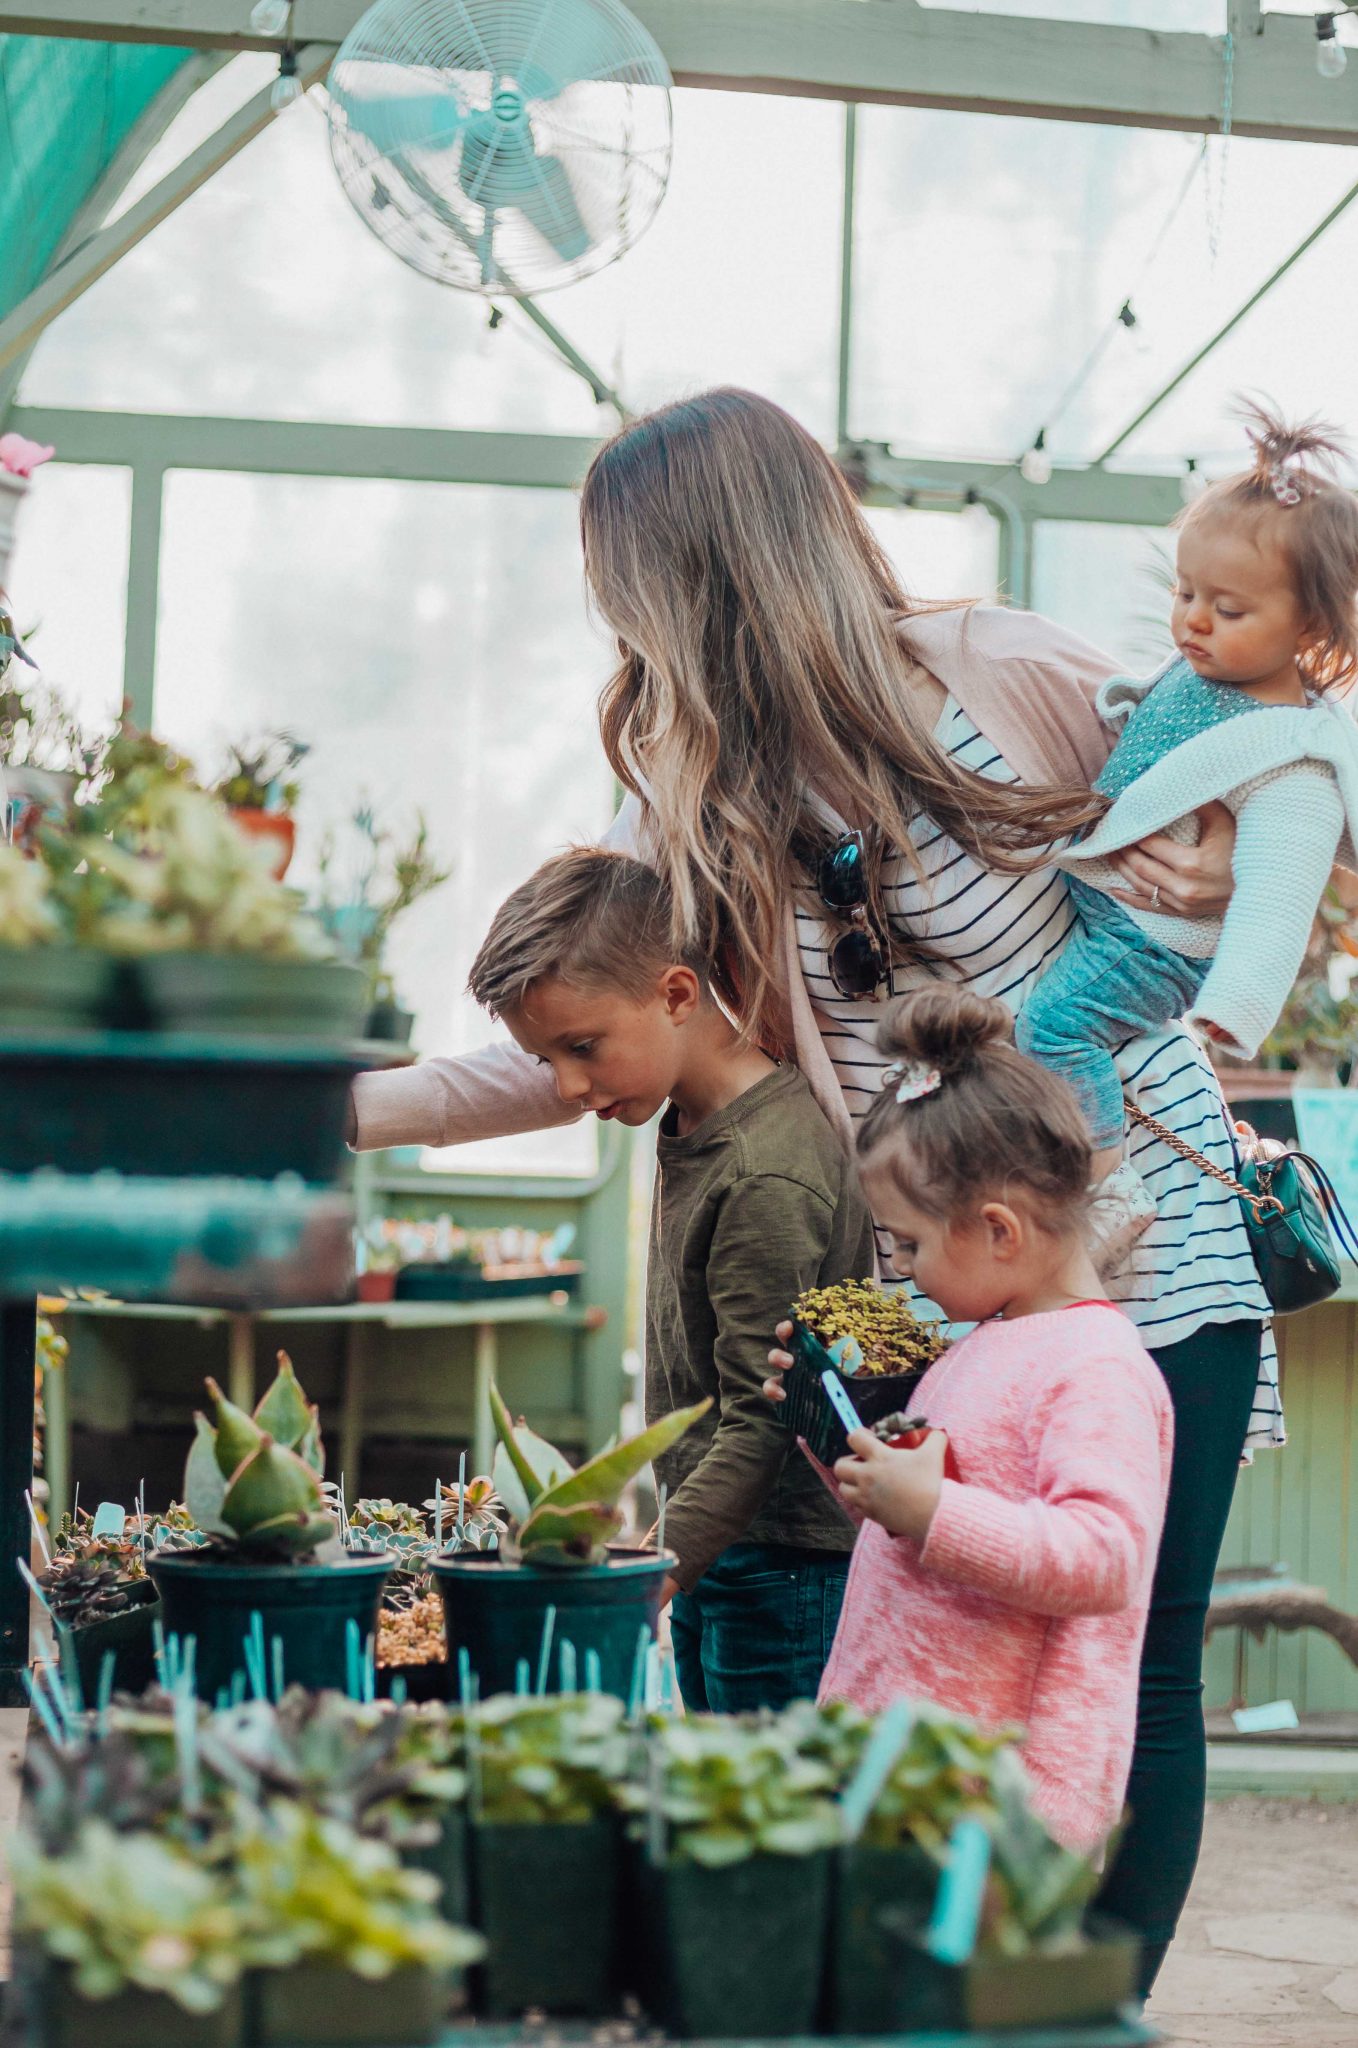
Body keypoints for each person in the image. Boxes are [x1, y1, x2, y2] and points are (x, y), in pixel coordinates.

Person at [351, 388, 1281, 1989]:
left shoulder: (1002, 671)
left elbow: (1239, 773)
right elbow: (583, 1035)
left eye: (628, 577)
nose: (621, 618)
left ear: (696, 567)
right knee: (966, 1661)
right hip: (954, 1311)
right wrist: (349, 1111)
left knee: (1134, 1667)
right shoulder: (689, 802)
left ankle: (1087, 2012)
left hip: (1159, 1261)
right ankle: (943, 1990)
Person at [763, 987, 1173, 1857]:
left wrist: (933, 1513)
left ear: (998, 1230)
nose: (901, 1270)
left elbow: (1106, 1558)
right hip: (911, 1769)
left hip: (994, 1799)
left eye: (908, 1244)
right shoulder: (984, 1342)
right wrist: (834, 1434)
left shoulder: (1095, 1368)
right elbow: (922, 1529)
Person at [465, 846, 875, 1710]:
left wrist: (648, 1572)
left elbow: (763, 1419)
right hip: (718, 1549)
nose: (570, 1086)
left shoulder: (766, 1173)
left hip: (778, 1565)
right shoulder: (695, 1117)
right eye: (549, 1061)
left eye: (584, 1047)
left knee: (762, 1821)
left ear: (678, 994)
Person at [1017, 404, 1358, 1263]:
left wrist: (1230, 1011)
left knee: (1053, 1027)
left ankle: (1107, 1189)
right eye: (1184, 593)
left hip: (1158, 946)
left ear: (1310, 630)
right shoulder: (1213, 669)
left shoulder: (1294, 758)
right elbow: (1170, 724)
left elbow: (1278, 898)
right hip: (1123, 914)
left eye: (1228, 608)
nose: (1194, 621)